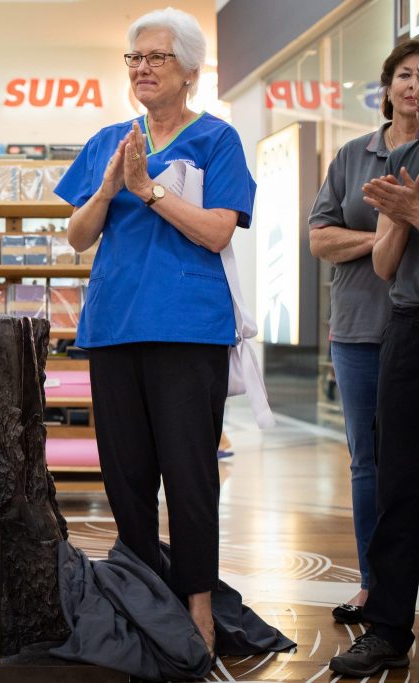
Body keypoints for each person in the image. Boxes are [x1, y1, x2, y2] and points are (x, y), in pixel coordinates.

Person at [54, 8, 255, 656]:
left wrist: (147, 190)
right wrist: (110, 184)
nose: (141, 67)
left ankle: (197, 600)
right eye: (133, 58)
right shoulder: (112, 138)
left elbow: (219, 229)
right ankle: (142, 594)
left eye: (156, 58)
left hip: (188, 329)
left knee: (190, 474)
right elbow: (78, 235)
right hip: (113, 327)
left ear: (190, 72)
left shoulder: (216, 140)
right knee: (126, 475)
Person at [308, 39, 419, 626]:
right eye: (404, 74)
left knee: (407, 461)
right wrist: (380, 238)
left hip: (414, 324)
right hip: (358, 328)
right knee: (367, 462)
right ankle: (374, 584)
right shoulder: (354, 154)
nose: (413, 86)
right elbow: (319, 238)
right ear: (386, 86)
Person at [329, 98, 419, 679]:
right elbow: (386, 267)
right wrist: (398, 218)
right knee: (397, 480)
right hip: (409, 322)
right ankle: (387, 627)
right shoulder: (405, 156)